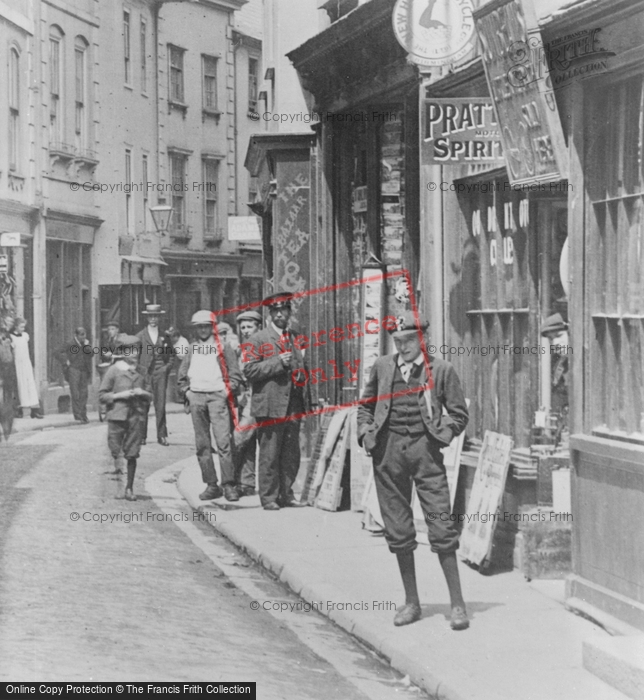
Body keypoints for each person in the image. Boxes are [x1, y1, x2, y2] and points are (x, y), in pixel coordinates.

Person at [357, 311, 470, 630]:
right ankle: (411, 602)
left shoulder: (442, 370)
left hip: (426, 454)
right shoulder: (382, 367)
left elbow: (459, 414)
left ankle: (458, 605)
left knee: (441, 526)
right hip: (388, 452)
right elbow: (365, 405)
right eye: (398, 341)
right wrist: (366, 434)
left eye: (409, 340)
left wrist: (441, 434)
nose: (403, 347)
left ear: (423, 339)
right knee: (398, 529)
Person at [242, 291, 309, 510]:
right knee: (269, 453)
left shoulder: (295, 337)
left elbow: (300, 364)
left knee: (290, 452)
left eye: (284, 310)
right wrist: (277, 362)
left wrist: (300, 374)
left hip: (292, 404)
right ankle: (269, 497)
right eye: (276, 311)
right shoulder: (259, 339)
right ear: (270, 314)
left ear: (289, 312)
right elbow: (250, 370)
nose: (280, 315)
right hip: (270, 405)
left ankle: (286, 494)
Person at [177, 310, 244, 502]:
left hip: (217, 398)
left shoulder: (223, 347)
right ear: (195, 329)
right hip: (197, 397)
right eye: (200, 327)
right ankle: (211, 484)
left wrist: (225, 392)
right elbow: (181, 377)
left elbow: (235, 375)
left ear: (213, 328)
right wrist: (188, 393)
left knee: (223, 442)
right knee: (203, 445)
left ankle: (229, 484)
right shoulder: (191, 349)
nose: (203, 330)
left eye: (207, 326)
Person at [99, 335, 152, 501]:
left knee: (132, 452)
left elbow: (151, 395)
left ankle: (129, 488)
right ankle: (120, 486)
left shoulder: (142, 371)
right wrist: (119, 395)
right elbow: (102, 395)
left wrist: (143, 393)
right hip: (117, 416)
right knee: (116, 450)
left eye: (137, 350)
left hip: (136, 417)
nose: (134, 353)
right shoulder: (114, 370)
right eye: (130, 350)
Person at [234, 309, 263, 496]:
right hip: (241, 399)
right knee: (249, 442)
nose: (245, 330)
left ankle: (231, 480)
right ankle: (247, 483)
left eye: (249, 326)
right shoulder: (241, 349)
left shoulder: (261, 347)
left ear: (258, 327)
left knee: (238, 439)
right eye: (243, 327)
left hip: (256, 397)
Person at [136, 304, 172, 446]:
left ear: (159, 318)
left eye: (156, 316)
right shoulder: (140, 336)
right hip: (145, 375)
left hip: (160, 373)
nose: (153, 319)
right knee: (143, 405)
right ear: (146, 317)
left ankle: (162, 435)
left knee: (161, 405)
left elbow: (171, 357)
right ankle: (142, 436)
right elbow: (134, 358)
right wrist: (141, 370)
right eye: (150, 316)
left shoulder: (165, 336)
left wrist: (165, 368)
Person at [58, 327, 93, 423]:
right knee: (75, 393)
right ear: (76, 335)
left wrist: (87, 346)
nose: (83, 337)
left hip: (84, 370)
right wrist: (66, 361)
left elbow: (91, 354)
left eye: (84, 334)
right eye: (81, 335)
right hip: (73, 370)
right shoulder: (70, 343)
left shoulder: (86, 344)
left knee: (84, 393)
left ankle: (83, 414)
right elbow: (59, 352)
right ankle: (78, 415)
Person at [10, 317, 42, 419]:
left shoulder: (25, 336)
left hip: (26, 363)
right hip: (18, 364)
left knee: (30, 385)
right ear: (16, 327)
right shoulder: (11, 337)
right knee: (20, 386)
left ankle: (34, 410)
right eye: (21, 327)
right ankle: (19, 410)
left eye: (24, 326)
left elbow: (30, 349)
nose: (23, 329)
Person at [0, 311, 17, 441]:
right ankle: (6, 429)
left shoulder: (6, 337)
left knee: (6, 402)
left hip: (6, 374)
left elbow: (7, 358)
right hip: (6, 373)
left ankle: (6, 429)